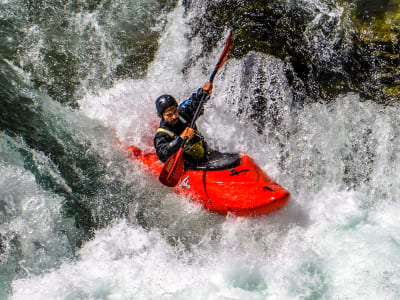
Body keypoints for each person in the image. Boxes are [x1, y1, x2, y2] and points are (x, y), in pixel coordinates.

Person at [154, 82, 213, 165]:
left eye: (175, 111)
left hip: (204, 154)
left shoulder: (183, 112)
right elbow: (163, 154)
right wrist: (181, 138)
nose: (174, 116)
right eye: (169, 115)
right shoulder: (161, 134)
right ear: (161, 116)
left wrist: (203, 92)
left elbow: (194, 101)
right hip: (188, 165)